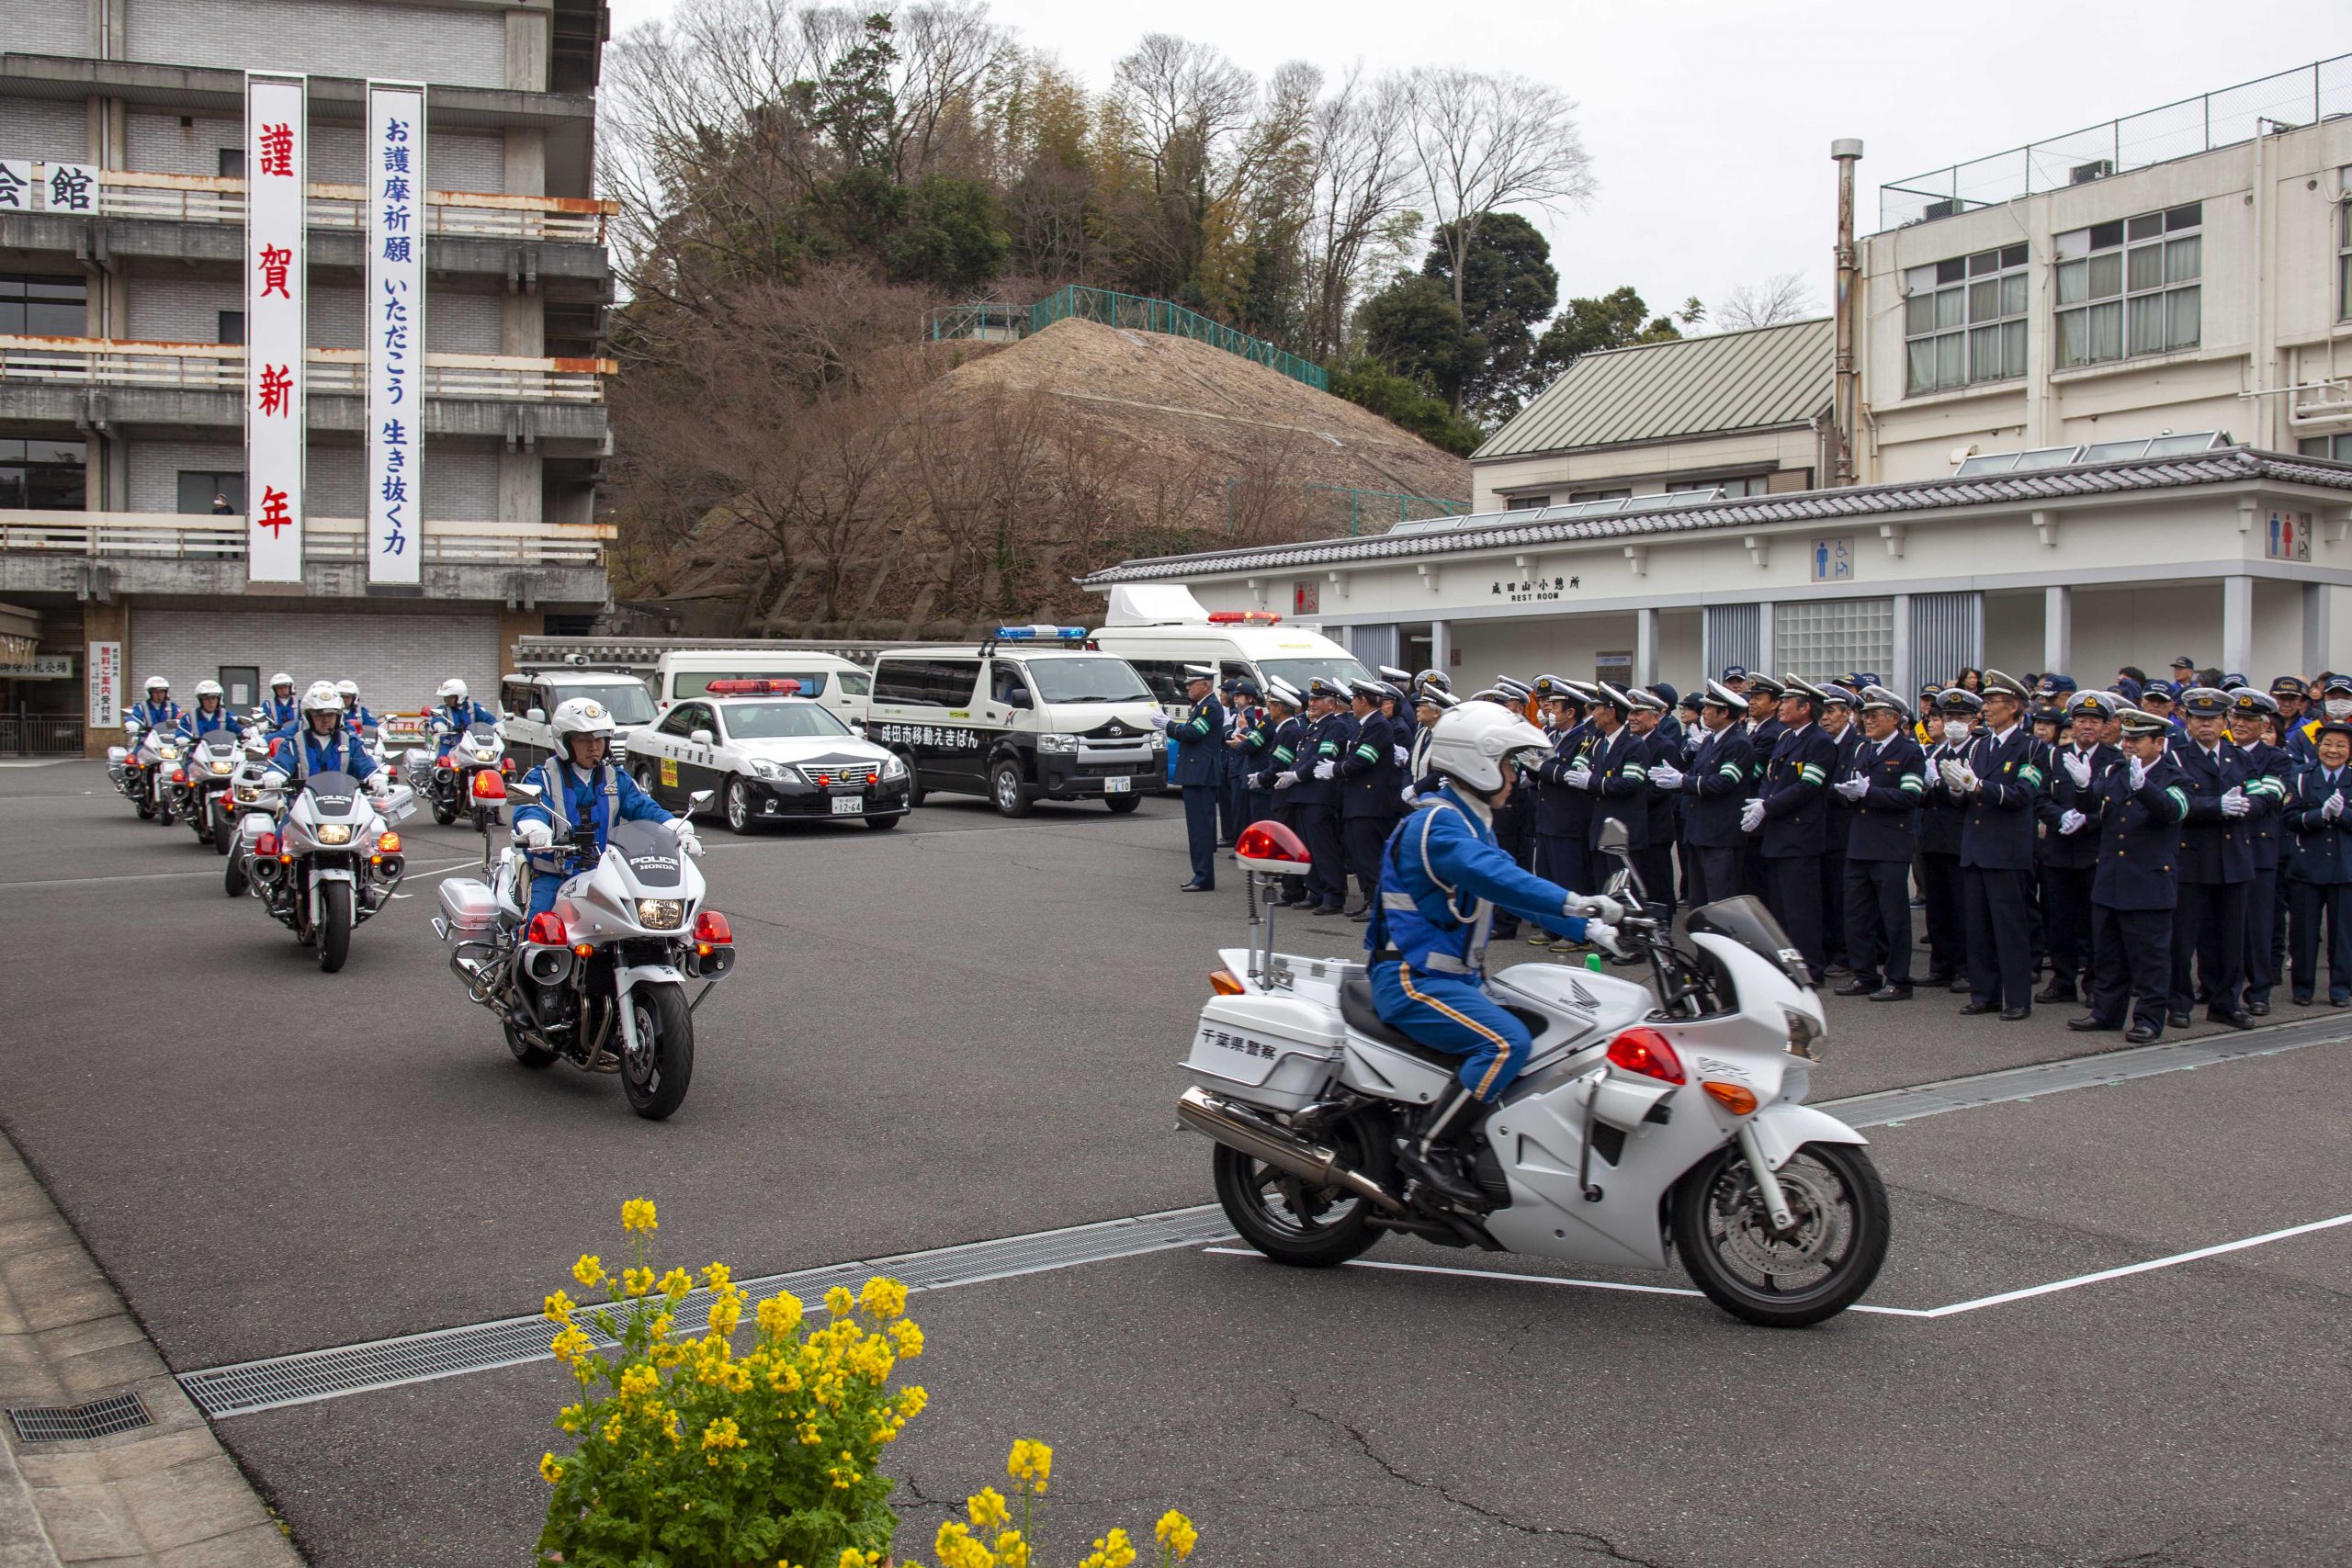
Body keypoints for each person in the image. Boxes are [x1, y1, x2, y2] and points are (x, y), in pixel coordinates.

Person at [1366, 702, 1625, 1208]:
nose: (1514, 777)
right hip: (1412, 980)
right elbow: (1496, 876)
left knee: (1556, 1028)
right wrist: (1576, 901)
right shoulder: (1438, 826)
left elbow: (1509, 891)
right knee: (1506, 1044)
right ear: (1476, 763)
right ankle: (1430, 1147)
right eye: (1508, 764)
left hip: (1453, 981)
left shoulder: (1470, 822)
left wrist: (1592, 929)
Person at [2069, 706, 2190, 1043]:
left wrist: (2145, 788)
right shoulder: (2116, 771)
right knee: (2108, 954)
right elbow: (2092, 807)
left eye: (2137, 740)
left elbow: (2173, 811)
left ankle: (2150, 1019)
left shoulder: (2174, 775)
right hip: (2111, 877)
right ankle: (2106, 1012)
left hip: (2148, 881)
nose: (2129, 745)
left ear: (2159, 743)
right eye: (2126, 738)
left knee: (2150, 959)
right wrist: (2082, 787)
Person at [512, 698, 695, 920]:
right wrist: (535, 829)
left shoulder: (616, 778)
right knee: (540, 927)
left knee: (647, 920)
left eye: (600, 739)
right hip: (554, 875)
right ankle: (525, 950)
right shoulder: (543, 777)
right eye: (584, 740)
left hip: (605, 874)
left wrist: (676, 828)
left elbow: (645, 808)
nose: (594, 747)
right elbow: (530, 808)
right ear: (565, 742)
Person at [1949, 670, 2041, 1020]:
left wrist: (1977, 786)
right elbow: (1968, 800)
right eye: (1985, 702)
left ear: (2015, 706)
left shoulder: (2030, 747)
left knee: (2009, 928)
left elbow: (2022, 794)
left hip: (2006, 851)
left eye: (1993, 702)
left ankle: (2017, 998)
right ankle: (1984, 993)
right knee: (1979, 927)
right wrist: (1957, 789)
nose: (1986, 708)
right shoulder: (1981, 744)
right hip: (1976, 848)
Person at [2167, 686, 2258, 1030]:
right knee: (2182, 940)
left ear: (2224, 721)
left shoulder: (2239, 757)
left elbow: (2255, 793)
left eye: (2213, 719)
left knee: (2230, 939)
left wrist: (2247, 805)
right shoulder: (2176, 756)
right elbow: (2176, 800)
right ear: (2187, 722)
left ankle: (2225, 1002)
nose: (2206, 725)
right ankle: (2178, 1003)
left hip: (2232, 857)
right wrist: (2213, 806)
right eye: (2199, 719)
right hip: (2192, 858)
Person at [1834, 686, 1927, 1001]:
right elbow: (1851, 787)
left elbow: (1911, 796)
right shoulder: (1862, 749)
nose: (1868, 721)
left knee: (1893, 916)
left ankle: (1899, 979)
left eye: (1875, 716)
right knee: (1857, 914)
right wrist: (1848, 794)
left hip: (1890, 844)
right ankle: (1865, 975)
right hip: (1859, 842)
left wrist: (1868, 794)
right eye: (1866, 715)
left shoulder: (1909, 751)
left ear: (1894, 719)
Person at [1744, 675, 1838, 984]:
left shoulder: (1820, 742)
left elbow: (1808, 786)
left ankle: (1811, 968)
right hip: (1777, 833)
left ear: (1805, 707)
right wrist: (1762, 800)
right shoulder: (1786, 737)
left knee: (1802, 909)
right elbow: (1772, 776)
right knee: (1781, 907)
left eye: (1787, 702)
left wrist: (1767, 807)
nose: (1781, 707)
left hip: (1800, 835)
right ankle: (1788, 963)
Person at [2039, 691, 2119, 1006]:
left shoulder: (2114, 761)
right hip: (2058, 850)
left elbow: (2116, 805)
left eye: (2094, 721)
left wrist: (2088, 820)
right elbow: (2040, 798)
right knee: (2058, 921)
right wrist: (2061, 817)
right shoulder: (2053, 757)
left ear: (2105, 727)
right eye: (2082, 720)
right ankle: (2062, 980)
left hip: (2093, 852)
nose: (2088, 726)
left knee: (2094, 922)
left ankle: (2095, 983)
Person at [1652, 679, 1751, 909]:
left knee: (1720, 902)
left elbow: (1724, 781)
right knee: (1700, 902)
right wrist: (1676, 779)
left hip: (1720, 834)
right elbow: (1696, 773)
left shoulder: (1738, 743)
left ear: (1725, 712)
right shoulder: (1711, 740)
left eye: (1708, 708)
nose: (1703, 712)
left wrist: (1683, 781)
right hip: (1699, 831)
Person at [2232, 689, 2292, 1016]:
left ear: (2263, 724)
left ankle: (2259, 991)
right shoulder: (2222, 752)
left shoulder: (2277, 758)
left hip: (2258, 850)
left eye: (2249, 719)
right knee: (2222, 925)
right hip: (2223, 849)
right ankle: (2219, 987)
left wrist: (2236, 796)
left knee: (2257, 925)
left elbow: (2268, 799)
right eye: (2236, 717)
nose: (2240, 724)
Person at [2283, 719, 2352, 1008]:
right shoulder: (2300, 775)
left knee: (2344, 935)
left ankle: (2340, 988)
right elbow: (2288, 818)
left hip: (2345, 867)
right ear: (2317, 746)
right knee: (2303, 932)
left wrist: (2341, 814)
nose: (2333, 750)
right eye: (2327, 743)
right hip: (2306, 866)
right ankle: (2302, 988)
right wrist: (2319, 816)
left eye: (2341, 745)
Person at [1287, 677, 1355, 915]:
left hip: (1321, 795)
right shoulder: (1314, 725)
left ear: (1332, 703)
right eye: (1311, 699)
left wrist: (1296, 776)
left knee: (1324, 847)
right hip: (1305, 795)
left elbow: (1322, 758)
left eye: (1317, 699)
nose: (1311, 703)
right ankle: (1315, 891)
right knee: (1308, 846)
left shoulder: (1335, 726)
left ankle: (1333, 895)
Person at [262, 682, 384, 810]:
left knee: (376, 827)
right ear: (309, 717)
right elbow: (282, 763)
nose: (326, 720)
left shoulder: (351, 742)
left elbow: (365, 765)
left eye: (331, 715)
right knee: (282, 830)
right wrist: (274, 776)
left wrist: (376, 778)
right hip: (302, 807)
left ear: (338, 716)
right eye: (319, 715)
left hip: (345, 806)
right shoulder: (295, 742)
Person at [1159, 665, 1225, 893]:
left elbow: (1193, 734)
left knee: (1201, 830)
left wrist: (1167, 725)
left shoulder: (1210, 708)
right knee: (1196, 829)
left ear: (1205, 685)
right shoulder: (1202, 707)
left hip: (1202, 775)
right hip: (1197, 774)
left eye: (1191, 684)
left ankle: (1204, 877)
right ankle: (1200, 875)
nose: (1187, 687)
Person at [1338, 678, 1400, 919]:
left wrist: (1336, 769)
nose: (1351, 704)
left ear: (1363, 700)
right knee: (1361, 855)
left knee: (1371, 856)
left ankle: (1378, 904)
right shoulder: (1366, 725)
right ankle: (1368, 899)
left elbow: (1363, 760)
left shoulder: (1378, 725)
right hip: (1358, 801)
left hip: (1370, 802)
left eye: (1354, 699)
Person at [1817, 686, 1862, 974]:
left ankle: (1846, 954)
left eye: (1831, 711)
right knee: (1825, 895)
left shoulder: (1855, 744)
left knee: (1842, 896)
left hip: (1843, 829)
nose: (1825, 718)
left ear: (1847, 714)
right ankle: (1829, 948)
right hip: (1820, 829)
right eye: (1821, 711)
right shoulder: (1821, 742)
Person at [1258, 682, 1310, 906]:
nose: (1269, 709)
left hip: (1286, 794)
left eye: (1271, 705)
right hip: (1283, 792)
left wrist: (1262, 777)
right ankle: (1291, 889)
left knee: (1287, 842)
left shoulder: (1289, 731)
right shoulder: (1287, 729)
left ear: (1280, 708)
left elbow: (1280, 762)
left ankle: (1293, 890)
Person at [427, 678, 498, 757]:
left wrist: (498, 726)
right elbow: (434, 717)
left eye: (449, 697)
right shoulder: (441, 708)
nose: (446, 700)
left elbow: (488, 718)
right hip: (449, 746)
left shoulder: (475, 707)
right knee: (443, 762)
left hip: (472, 746)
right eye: (445, 697)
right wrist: (439, 724)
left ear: (459, 697)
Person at [177, 678, 244, 739]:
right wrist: (182, 739)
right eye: (207, 699)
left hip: (221, 750)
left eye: (214, 698)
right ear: (200, 700)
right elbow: (182, 732)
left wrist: (245, 732)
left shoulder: (226, 716)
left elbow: (237, 728)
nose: (211, 702)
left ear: (219, 699)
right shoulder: (190, 718)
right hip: (196, 751)